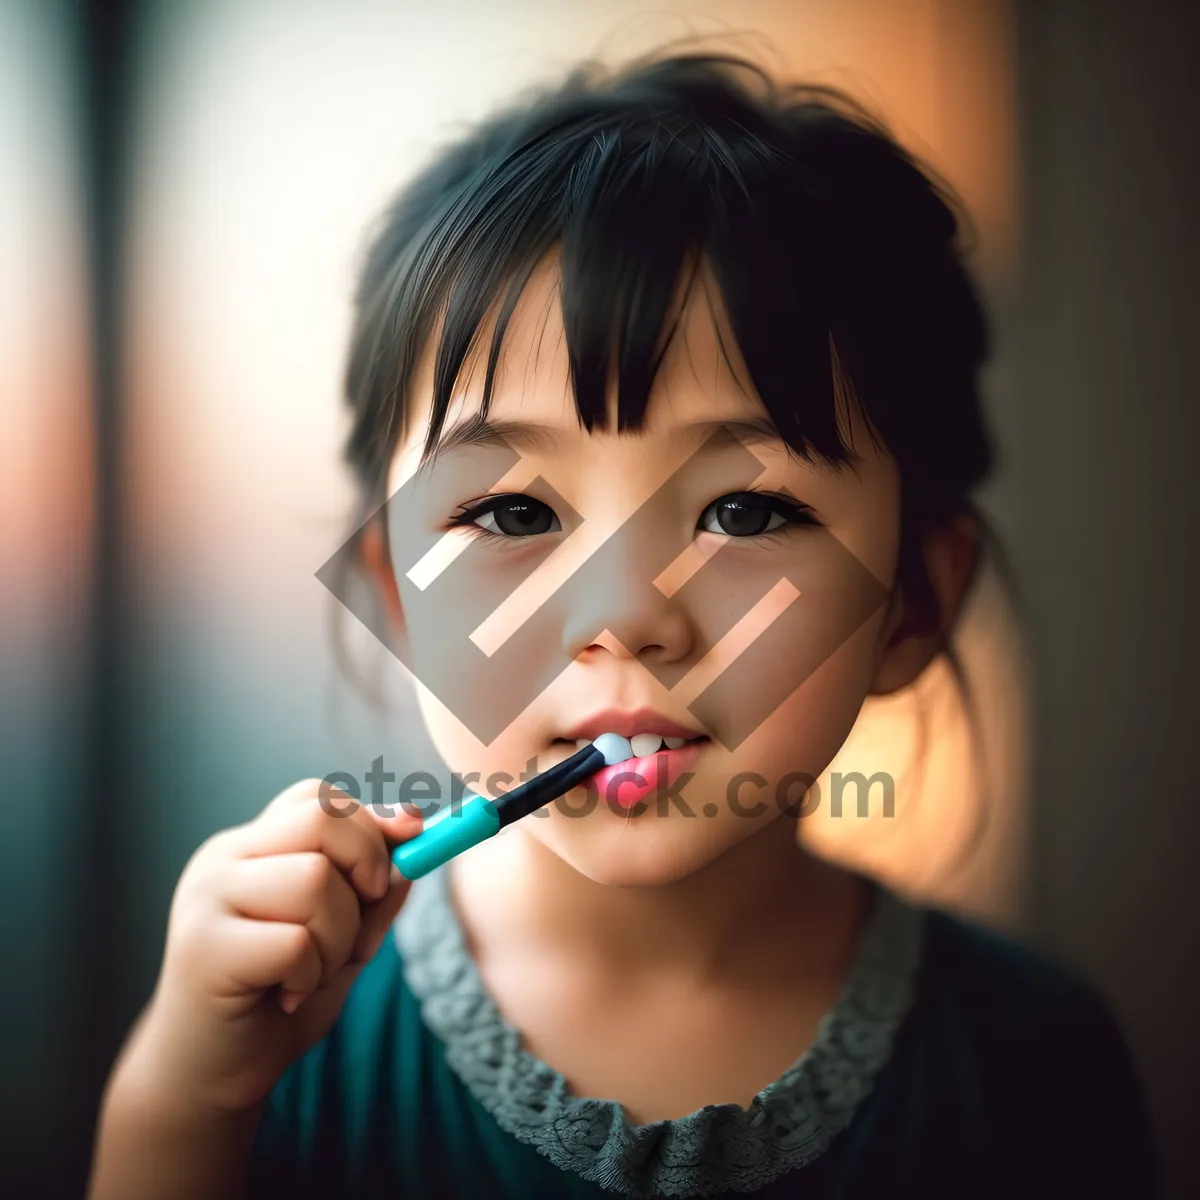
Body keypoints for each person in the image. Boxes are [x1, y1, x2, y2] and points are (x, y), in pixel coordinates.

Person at [87, 47, 1162, 1199]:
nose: (622, 616)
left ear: (913, 606)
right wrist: (188, 1096)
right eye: (512, 510)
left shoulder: (1032, 1061)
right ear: (396, 597)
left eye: (745, 510)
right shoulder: (276, 1037)